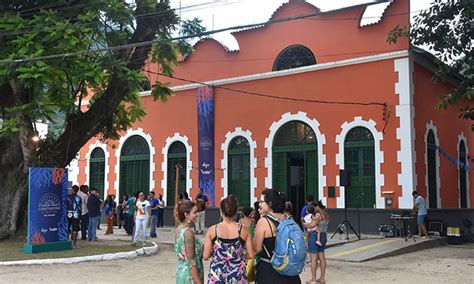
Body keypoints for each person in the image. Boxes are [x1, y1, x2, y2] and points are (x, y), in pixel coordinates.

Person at [254, 189, 301, 283]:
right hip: (290, 272)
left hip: (270, 272)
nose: (259, 204)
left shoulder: (264, 222)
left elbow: (257, 249)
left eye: (262, 201)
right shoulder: (289, 219)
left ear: (270, 204)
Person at [203, 195, 254, 283]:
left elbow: (205, 256)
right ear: (236, 212)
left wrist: (217, 252)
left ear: (221, 211)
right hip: (237, 276)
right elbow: (251, 255)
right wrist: (240, 257)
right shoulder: (244, 230)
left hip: (217, 276)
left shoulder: (212, 230)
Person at [174, 201, 204, 284]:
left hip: (182, 271)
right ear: (186, 214)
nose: (197, 215)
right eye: (194, 212)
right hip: (190, 276)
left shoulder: (179, 230)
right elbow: (191, 261)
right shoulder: (188, 233)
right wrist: (198, 281)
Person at [307, 200, 330, 284]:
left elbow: (312, 225)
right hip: (323, 236)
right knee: (322, 256)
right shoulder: (326, 214)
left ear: (317, 207)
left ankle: (313, 279)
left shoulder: (318, 215)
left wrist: (306, 224)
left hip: (315, 236)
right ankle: (322, 278)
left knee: (313, 258)